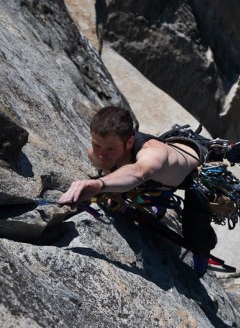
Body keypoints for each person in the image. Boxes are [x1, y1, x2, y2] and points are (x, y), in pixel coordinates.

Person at [59, 106, 221, 277]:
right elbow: (114, 169)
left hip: (193, 173)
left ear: (129, 142)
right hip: (159, 173)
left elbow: (138, 173)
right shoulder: (97, 153)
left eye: (110, 149)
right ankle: (161, 193)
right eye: (96, 145)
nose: (101, 155)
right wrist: (116, 194)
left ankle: (202, 250)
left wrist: (100, 185)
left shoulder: (153, 154)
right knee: (143, 180)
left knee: (196, 230)